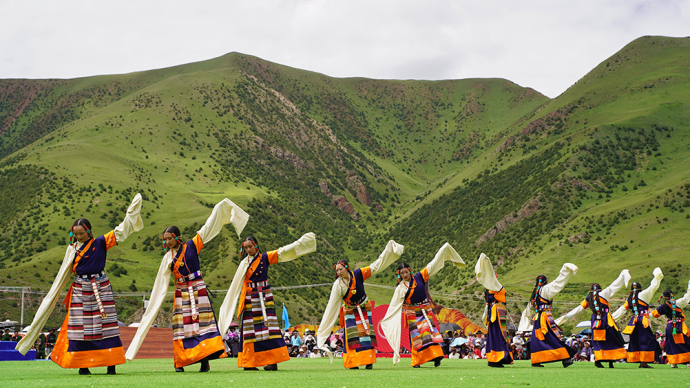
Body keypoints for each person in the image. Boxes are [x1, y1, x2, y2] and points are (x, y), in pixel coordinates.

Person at [16, 194, 143, 375]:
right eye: (75, 234)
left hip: (101, 287)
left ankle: (111, 365)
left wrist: (132, 211)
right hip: (80, 289)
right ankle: (83, 366)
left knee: (106, 326)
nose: (78, 236)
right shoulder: (72, 249)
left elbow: (122, 230)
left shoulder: (101, 242)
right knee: (80, 329)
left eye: (81, 233)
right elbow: (64, 274)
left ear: (89, 231)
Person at [125, 199, 248, 372]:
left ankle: (205, 361)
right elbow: (161, 283)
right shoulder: (167, 258)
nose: (168, 242)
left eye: (170, 238)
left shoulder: (193, 245)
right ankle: (180, 362)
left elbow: (209, 225)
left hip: (198, 289)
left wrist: (221, 208)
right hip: (181, 292)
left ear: (177, 237)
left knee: (202, 326)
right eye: (165, 239)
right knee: (182, 327)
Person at [218, 233, 317, 371]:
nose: (248, 250)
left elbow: (283, 251)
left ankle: (272, 361)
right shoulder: (244, 263)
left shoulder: (265, 257)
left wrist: (300, 242)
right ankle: (249, 362)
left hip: (264, 297)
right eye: (245, 248)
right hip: (249, 299)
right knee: (250, 332)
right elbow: (236, 284)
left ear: (256, 245)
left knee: (269, 329)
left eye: (250, 247)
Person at [317, 241, 404, 370]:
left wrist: (388, 251)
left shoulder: (359, 274)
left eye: (341, 269)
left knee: (366, 336)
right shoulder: (338, 285)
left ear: (347, 267)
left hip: (364, 308)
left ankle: (368, 361)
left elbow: (375, 266)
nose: (339, 272)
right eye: (337, 271)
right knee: (352, 338)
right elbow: (332, 305)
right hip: (349, 311)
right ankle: (353, 363)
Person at [381, 243, 465, 368]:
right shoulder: (400, 288)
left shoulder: (420, 277)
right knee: (416, 338)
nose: (405, 275)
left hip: (425, 310)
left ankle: (436, 357)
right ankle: (417, 360)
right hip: (411, 313)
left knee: (430, 333)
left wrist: (443, 250)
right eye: (402, 273)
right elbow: (394, 305)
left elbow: (433, 264)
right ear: (399, 275)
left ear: (410, 271)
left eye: (406, 272)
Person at [555, 270, 630, 368]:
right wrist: (623, 275)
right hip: (606, 320)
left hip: (595, 321)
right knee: (611, 340)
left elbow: (578, 309)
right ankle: (610, 362)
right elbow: (615, 285)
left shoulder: (588, 298)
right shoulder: (604, 293)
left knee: (598, 341)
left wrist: (564, 318)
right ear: (600, 289)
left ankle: (598, 360)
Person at [517, 263, 578, 368]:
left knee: (537, 339)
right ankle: (565, 358)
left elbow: (529, 309)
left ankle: (536, 360)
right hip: (545, 317)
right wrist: (566, 270)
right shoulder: (545, 289)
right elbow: (558, 282)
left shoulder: (535, 293)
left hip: (537, 318)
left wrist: (524, 323)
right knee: (552, 337)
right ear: (546, 281)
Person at [611, 268, 664, 368]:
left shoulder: (630, 299)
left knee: (635, 340)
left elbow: (622, 310)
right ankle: (643, 362)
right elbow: (653, 286)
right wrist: (657, 275)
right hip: (643, 320)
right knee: (646, 340)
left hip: (634, 321)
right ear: (640, 288)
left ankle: (638, 360)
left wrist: (612, 318)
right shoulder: (643, 295)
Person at [475, 253, 514, 368]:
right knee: (498, 335)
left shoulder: (489, 289)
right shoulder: (494, 286)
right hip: (496, 312)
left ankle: (496, 358)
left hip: (495, 311)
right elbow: (490, 273)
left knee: (496, 335)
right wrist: (486, 260)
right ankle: (496, 359)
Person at [651, 281, 690, 367]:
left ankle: (673, 362)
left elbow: (653, 315)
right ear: (672, 295)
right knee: (686, 342)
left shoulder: (663, 306)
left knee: (671, 344)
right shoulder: (679, 302)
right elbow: (688, 296)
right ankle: (688, 362)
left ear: (664, 297)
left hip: (670, 327)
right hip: (679, 325)